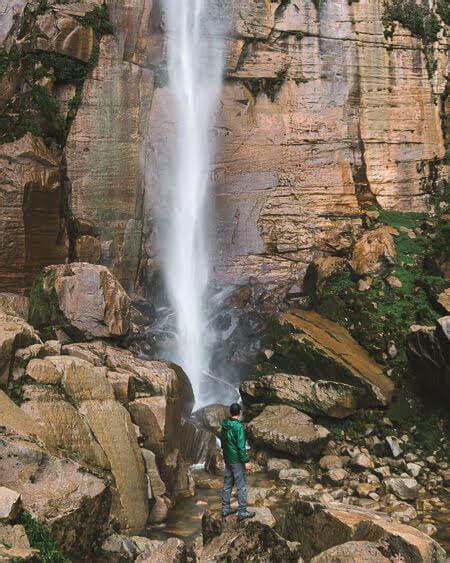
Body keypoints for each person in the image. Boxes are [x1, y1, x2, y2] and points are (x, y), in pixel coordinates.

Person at [220, 402, 256, 521]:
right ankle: (242, 511)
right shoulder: (238, 427)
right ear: (239, 412)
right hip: (236, 459)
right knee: (241, 486)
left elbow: (223, 442)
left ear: (231, 412)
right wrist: (246, 461)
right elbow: (241, 446)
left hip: (228, 458)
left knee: (227, 484)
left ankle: (225, 508)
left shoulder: (224, 424)